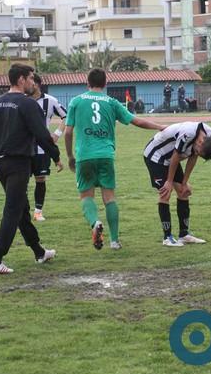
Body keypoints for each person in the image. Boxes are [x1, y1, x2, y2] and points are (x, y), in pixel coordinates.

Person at [0, 63, 62, 275]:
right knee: (13, 210)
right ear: (21, 80)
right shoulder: (27, 104)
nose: (33, 82)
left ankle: (39, 251)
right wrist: (56, 156)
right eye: (31, 78)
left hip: (0, 164)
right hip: (18, 163)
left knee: (21, 208)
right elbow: (42, 135)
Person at [64, 68, 164, 250]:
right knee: (109, 197)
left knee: (86, 195)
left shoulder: (76, 101)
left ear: (87, 83)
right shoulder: (112, 102)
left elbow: (68, 131)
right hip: (105, 155)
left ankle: (95, 223)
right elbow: (137, 121)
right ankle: (115, 241)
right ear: (105, 84)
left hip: (84, 155)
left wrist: (70, 156)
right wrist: (160, 127)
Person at [143, 122, 211, 246]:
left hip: (171, 159)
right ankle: (167, 237)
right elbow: (176, 157)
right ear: (200, 143)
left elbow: (193, 157)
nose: (197, 154)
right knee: (165, 193)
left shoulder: (208, 134)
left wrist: (184, 183)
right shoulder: (187, 133)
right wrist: (169, 181)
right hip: (156, 156)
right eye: (199, 151)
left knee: (183, 193)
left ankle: (184, 235)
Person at [29, 74, 67, 222]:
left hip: (42, 149)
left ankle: (38, 211)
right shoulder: (22, 100)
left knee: (40, 179)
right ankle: (21, 211)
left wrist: (57, 133)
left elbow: (66, 116)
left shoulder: (50, 101)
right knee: (20, 181)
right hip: (23, 148)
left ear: (36, 84)